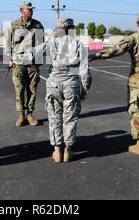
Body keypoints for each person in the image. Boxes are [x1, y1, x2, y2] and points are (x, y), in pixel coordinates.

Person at [90, 12, 139, 156]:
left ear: (138, 23)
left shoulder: (134, 38)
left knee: (138, 112)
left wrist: (96, 56)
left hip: (138, 83)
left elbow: (116, 50)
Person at [19, 18, 91, 162]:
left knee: (54, 118)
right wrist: (84, 89)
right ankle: (68, 150)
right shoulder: (78, 45)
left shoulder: (51, 43)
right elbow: (84, 71)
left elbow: (31, 54)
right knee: (70, 119)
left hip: (53, 84)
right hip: (72, 84)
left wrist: (15, 57)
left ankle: (57, 151)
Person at [4, 1, 44, 126]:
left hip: (32, 63)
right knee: (19, 89)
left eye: (32, 9)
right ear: (22, 11)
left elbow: (41, 44)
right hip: (18, 62)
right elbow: (7, 44)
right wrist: (9, 60)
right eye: (29, 9)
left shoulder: (38, 25)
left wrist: (39, 61)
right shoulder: (13, 25)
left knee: (32, 89)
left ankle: (30, 114)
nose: (31, 11)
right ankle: (21, 115)